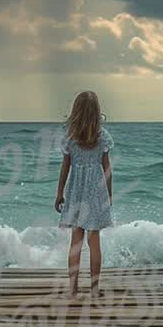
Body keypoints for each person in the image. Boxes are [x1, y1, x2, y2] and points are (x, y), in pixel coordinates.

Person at [54, 91, 113, 297]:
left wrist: (60, 192)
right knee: (94, 241)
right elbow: (107, 170)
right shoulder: (103, 137)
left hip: (76, 192)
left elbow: (65, 168)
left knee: (75, 241)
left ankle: (72, 289)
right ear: (96, 112)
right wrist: (109, 196)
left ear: (75, 112)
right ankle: (95, 290)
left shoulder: (70, 138)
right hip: (96, 192)